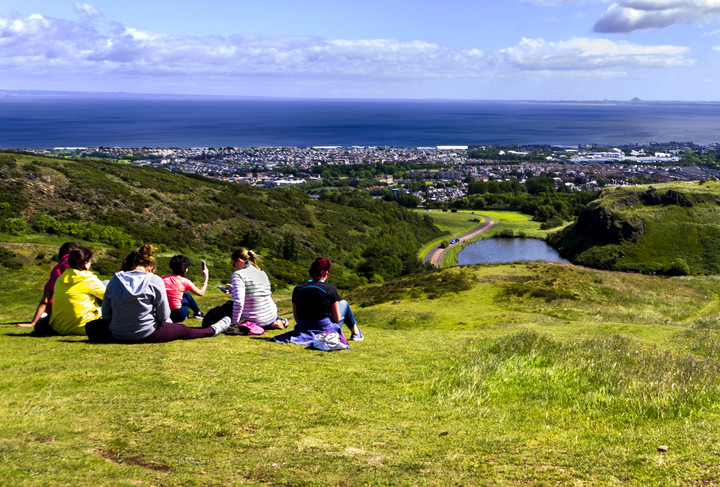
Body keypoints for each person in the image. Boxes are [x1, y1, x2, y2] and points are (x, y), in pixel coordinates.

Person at [101, 244, 230, 343]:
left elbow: (106, 315)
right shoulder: (155, 280)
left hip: (117, 333)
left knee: (92, 326)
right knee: (184, 330)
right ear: (150, 269)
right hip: (147, 332)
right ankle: (212, 330)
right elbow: (163, 316)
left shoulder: (115, 279)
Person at [270, 257, 362, 345]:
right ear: (326, 273)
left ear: (311, 272)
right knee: (344, 303)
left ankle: (356, 333)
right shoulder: (330, 289)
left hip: (303, 327)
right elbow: (337, 318)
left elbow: (297, 318)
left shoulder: (298, 289)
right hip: (324, 329)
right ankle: (356, 333)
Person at [203, 248, 287, 330]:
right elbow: (256, 294)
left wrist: (234, 323)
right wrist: (233, 290)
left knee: (217, 313)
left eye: (234, 264)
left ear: (239, 260)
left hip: (255, 321)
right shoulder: (261, 272)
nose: (234, 267)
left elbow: (239, 302)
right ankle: (278, 321)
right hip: (270, 318)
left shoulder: (238, 274)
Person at [47, 246, 105, 335]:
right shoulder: (89, 279)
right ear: (85, 264)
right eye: (90, 261)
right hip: (85, 327)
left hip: (59, 327)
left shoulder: (60, 279)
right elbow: (110, 297)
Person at [19, 241, 79, 328]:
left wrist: (33, 323)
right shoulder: (77, 273)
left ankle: (44, 317)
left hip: (55, 312)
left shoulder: (53, 279)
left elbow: (44, 302)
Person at [162, 255, 207, 323]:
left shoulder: (162, 279)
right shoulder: (185, 281)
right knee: (186, 294)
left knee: (184, 294)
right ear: (185, 269)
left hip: (164, 313)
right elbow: (201, 293)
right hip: (178, 314)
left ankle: (198, 313)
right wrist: (206, 277)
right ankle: (198, 313)